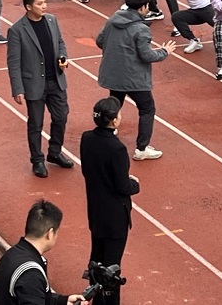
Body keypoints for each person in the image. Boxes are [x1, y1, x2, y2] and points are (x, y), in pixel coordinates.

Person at [96, 0, 177, 161]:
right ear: (143, 7)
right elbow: (146, 55)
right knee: (147, 109)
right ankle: (142, 149)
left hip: (113, 73)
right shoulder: (141, 29)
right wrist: (164, 51)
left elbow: (100, 41)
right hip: (134, 78)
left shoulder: (113, 20)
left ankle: (107, 130)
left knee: (115, 102)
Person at [7, 0, 73, 178]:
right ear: (29, 7)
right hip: (34, 84)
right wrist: (17, 89)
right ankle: (37, 160)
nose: (44, 6)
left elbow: (60, 43)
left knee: (61, 117)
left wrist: (63, 57)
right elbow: (13, 62)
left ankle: (55, 152)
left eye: (45, 2)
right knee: (36, 124)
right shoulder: (17, 30)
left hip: (56, 81)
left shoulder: (52, 20)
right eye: (39, 3)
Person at [80, 97, 139, 305]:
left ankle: (95, 297)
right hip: (114, 216)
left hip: (96, 211)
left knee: (96, 258)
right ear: (113, 120)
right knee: (112, 268)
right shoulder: (117, 149)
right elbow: (123, 186)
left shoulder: (86, 138)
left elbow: (88, 171)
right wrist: (134, 184)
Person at [0, 200, 88, 305]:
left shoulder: (10, 255)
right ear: (50, 233)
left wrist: (63, 301)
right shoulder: (31, 273)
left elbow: (36, 295)